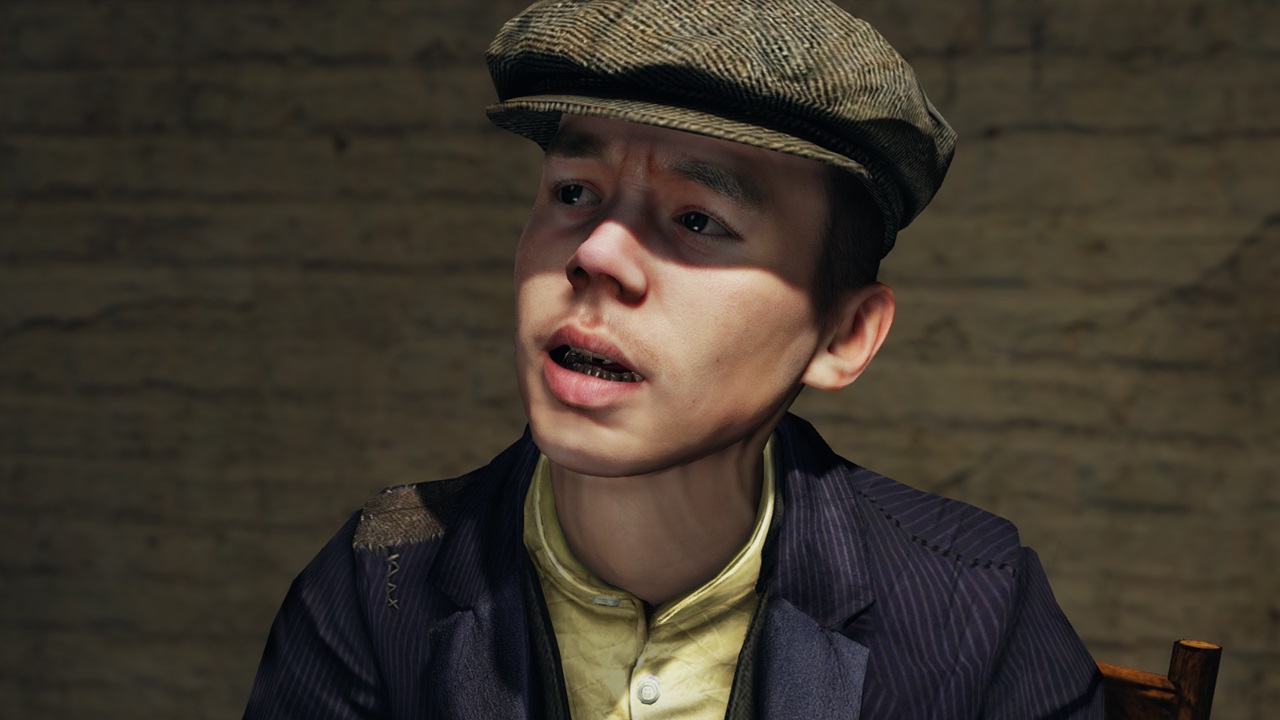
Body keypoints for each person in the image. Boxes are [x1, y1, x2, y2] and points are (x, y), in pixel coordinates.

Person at [244, 1, 1103, 717]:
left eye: (697, 219)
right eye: (574, 193)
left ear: (843, 336)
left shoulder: (972, 608)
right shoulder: (382, 579)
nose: (596, 253)